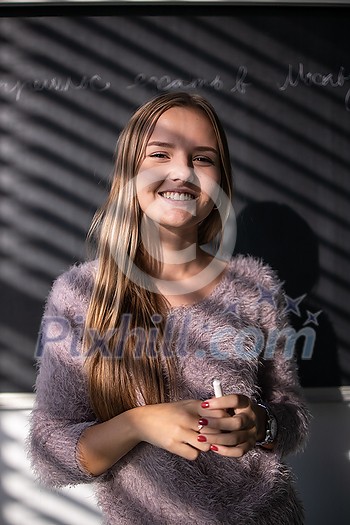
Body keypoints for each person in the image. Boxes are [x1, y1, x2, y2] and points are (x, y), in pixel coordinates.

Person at [28, 92, 310, 525]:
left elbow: (289, 415)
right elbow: (49, 452)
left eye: (203, 158)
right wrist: (139, 424)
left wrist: (262, 423)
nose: (182, 172)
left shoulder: (255, 286)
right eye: (160, 154)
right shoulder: (82, 294)